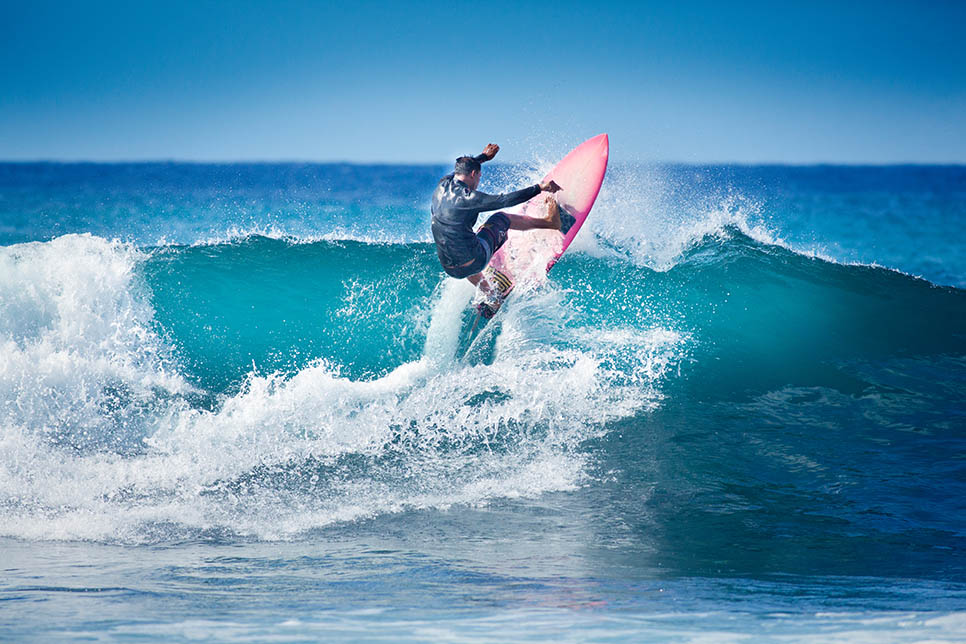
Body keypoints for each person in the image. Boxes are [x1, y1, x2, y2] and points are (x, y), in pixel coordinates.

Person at [430, 143, 562, 291]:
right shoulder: (468, 197)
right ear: (473, 174)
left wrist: (484, 157)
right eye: (479, 177)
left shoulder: (442, 185)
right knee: (500, 218)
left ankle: (490, 293)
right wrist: (539, 188)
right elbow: (504, 200)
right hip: (475, 261)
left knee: (462, 240)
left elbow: (463, 169)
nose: (478, 183)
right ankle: (550, 222)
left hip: (450, 269)